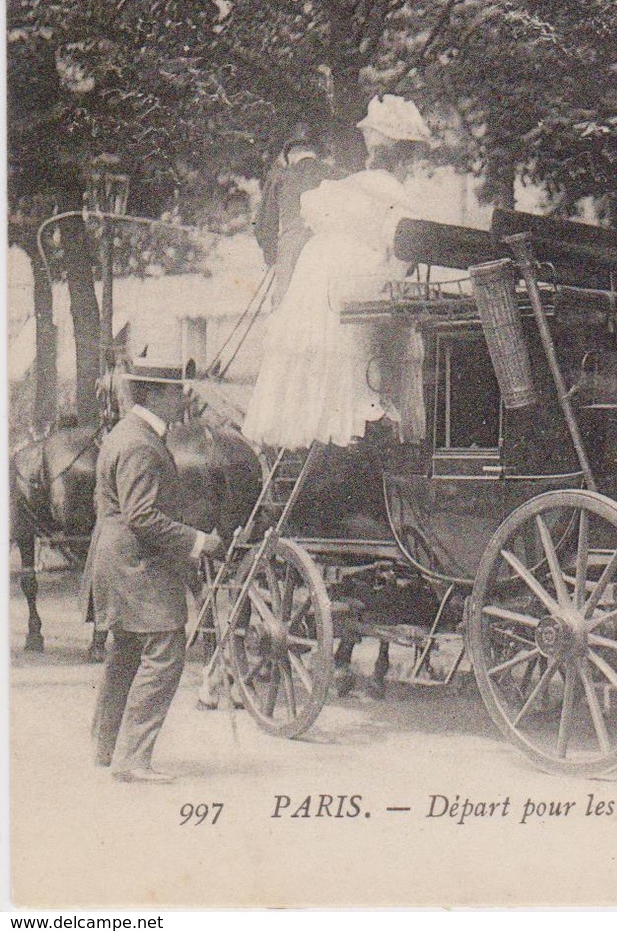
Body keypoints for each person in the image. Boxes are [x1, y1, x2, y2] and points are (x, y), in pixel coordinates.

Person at [242, 95, 431, 450]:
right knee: (364, 354)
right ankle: (360, 432)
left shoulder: (348, 186)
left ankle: (336, 434)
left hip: (315, 282)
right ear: (404, 158)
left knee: (325, 371)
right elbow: (403, 249)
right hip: (348, 286)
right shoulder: (392, 193)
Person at [88, 357, 225, 783]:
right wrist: (198, 541)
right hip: (137, 566)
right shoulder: (140, 445)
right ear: (157, 395)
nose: (183, 398)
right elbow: (142, 516)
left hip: (118, 561)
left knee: (125, 651)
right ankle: (132, 760)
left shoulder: (124, 434)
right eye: (177, 391)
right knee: (165, 651)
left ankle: (106, 747)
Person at [256, 121, 337, 305]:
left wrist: (272, 259)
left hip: (291, 254)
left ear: (289, 155)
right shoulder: (337, 175)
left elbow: (263, 227)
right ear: (315, 152)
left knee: (287, 311)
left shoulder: (280, 177)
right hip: (330, 253)